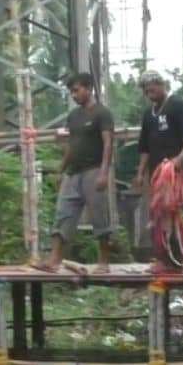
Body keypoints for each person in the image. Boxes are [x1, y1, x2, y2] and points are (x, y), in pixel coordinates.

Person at [44, 72, 114, 273]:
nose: (74, 95)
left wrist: (103, 172)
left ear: (88, 88)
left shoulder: (102, 113)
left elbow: (108, 143)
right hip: (73, 172)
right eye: (71, 92)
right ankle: (54, 259)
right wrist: (61, 169)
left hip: (93, 170)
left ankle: (103, 262)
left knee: (99, 216)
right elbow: (71, 145)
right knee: (63, 213)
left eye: (76, 90)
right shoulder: (73, 116)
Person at [133, 71, 183, 261]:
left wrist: (179, 160)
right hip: (155, 173)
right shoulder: (148, 114)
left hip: (172, 171)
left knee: (169, 211)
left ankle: (174, 255)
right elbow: (144, 147)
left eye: (152, 88)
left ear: (162, 85)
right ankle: (166, 255)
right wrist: (140, 173)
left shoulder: (178, 105)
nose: (148, 92)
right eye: (145, 90)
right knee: (158, 213)